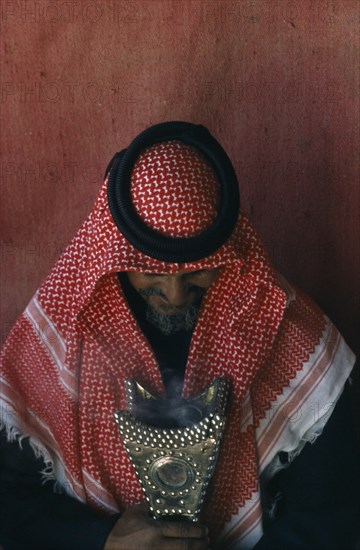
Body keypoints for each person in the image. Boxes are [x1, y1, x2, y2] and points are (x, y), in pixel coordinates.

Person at [0, 121, 358, 550]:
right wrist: (101, 541)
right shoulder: (65, 330)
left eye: (196, 271)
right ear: (115, 254)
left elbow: (333, 510)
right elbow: (10, 501)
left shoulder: (286, 331)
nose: (173, 295)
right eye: (151, 272)